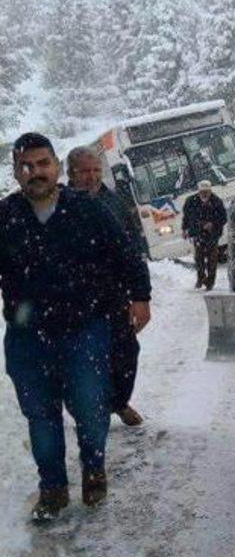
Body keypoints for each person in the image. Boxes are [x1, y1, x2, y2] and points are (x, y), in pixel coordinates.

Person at [0, 133, 151, 522]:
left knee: (90, 406)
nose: (35, 172)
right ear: (16, 172)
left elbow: (126, 252)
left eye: (42, 164)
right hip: (27, 338)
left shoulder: (87, 209)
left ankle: (93, 468)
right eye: (26, 166)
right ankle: (52, 488)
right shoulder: (6, 217)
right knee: (40, 415)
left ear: (55, 167)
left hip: (84, 328)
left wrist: (140, 296)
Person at [66, 145, 146, 427]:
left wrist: (140, 295)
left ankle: (119, 401)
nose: (91, 177)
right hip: (72, 300)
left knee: (126, 352)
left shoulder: (113, 203)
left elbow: (133, 249)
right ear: (71, 174)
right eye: (84, 171)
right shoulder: (59, 206)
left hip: (113, 294)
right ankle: (87, 412)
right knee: (82, 360)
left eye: (96, 170)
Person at [182, 179, 227, 290]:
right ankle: (201, 278)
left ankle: (210, 282)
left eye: (207, 191)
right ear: (198, 192)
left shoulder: (217, 201)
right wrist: (184, 229)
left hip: (213, 235)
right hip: (197, 234)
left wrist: (213, 224)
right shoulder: (190, 201)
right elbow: (186, 218)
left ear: (210, 191)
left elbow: (223, 218)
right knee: (199, 258)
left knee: (212, 260)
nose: (205, 194)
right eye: (202, 191)